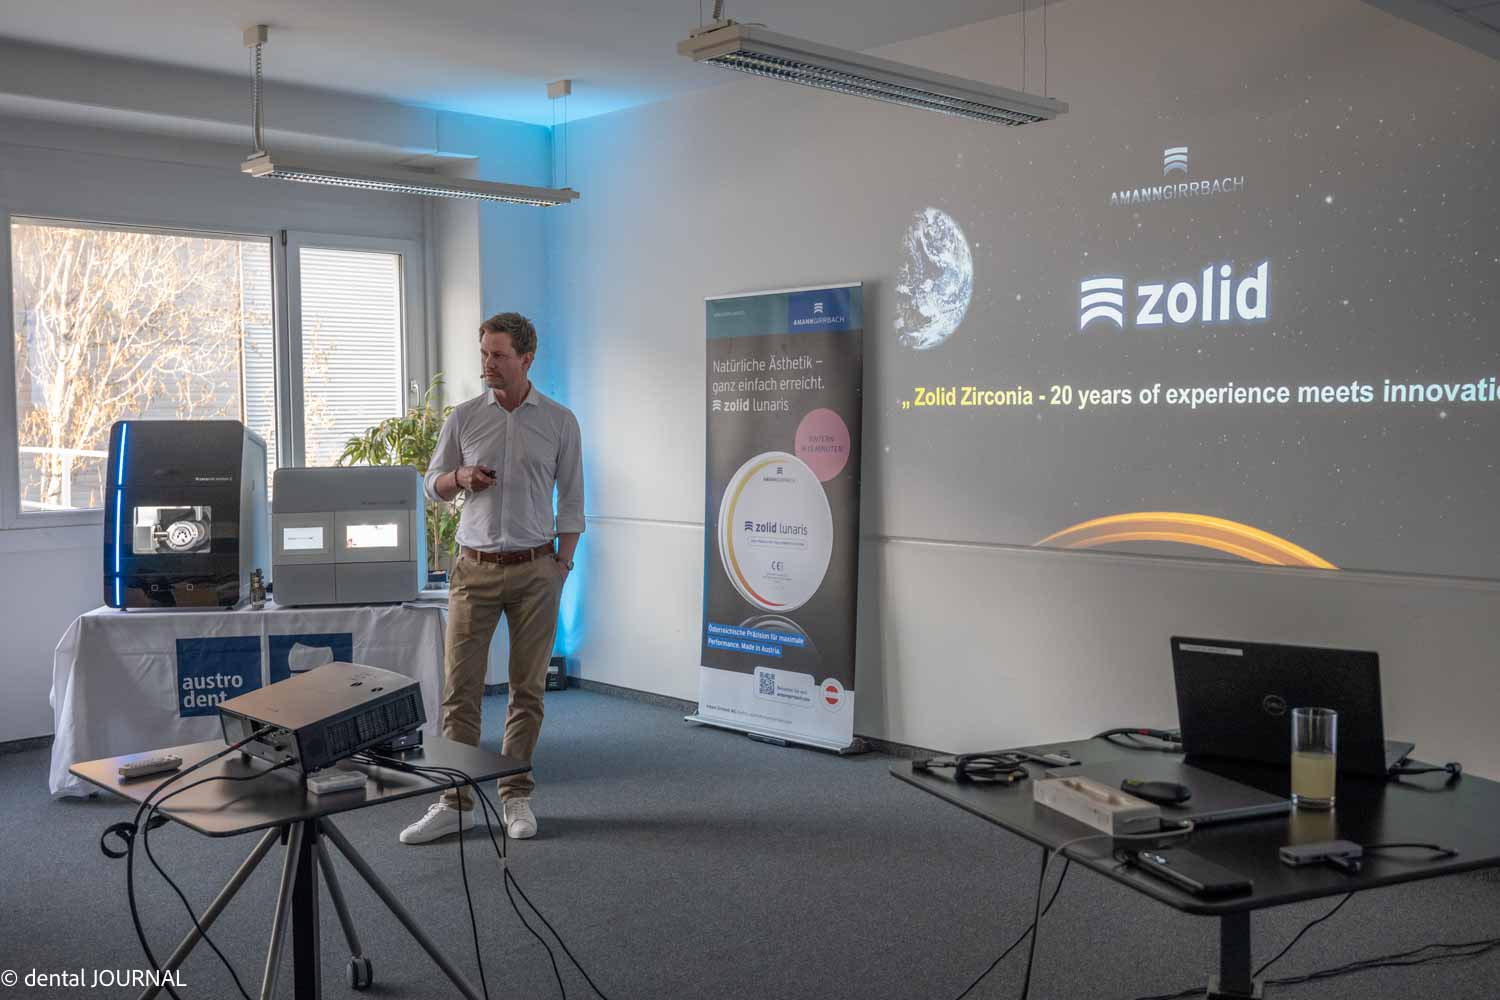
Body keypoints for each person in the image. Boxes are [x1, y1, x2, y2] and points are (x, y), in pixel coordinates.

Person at [400, 312, 583, 844]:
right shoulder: (463, 418)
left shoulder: (560, 421)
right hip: (473, 570)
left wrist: (561, 566)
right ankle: (454, 802)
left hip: (537, 571)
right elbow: (432, 484)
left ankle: (515, 795)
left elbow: (573, 501)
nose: (488, 364)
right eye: (484, 353)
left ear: (526, 359)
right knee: (460, 692)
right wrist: (459, 477)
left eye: (498, 355)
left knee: (528, 691)